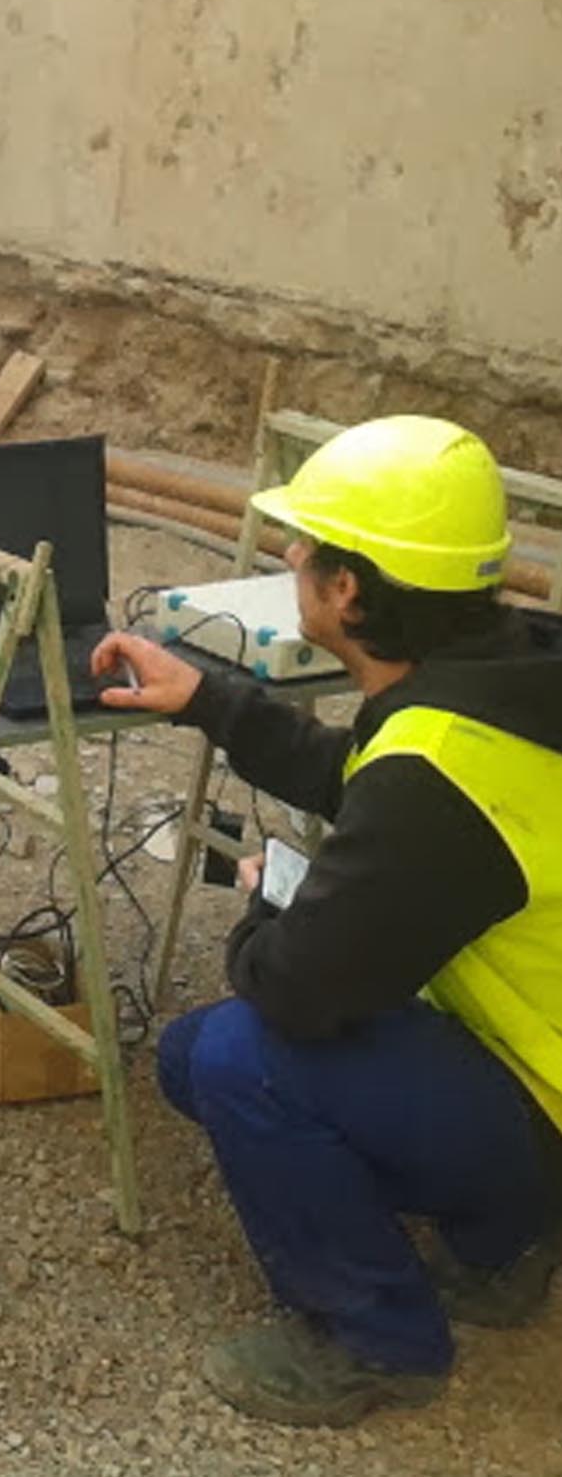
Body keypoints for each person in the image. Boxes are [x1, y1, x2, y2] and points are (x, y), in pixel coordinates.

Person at [91, 413, 562, 1429]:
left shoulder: (439, 769)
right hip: (534, 1065)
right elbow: (368, 783)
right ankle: (503, 1239)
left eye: (302, 549)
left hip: (543, 1108)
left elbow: (295, 991)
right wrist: (208, 701)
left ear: (345, 589)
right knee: (190, 1059)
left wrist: (274, 895)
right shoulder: (504, 682)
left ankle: (377, 1340)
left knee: (232, 1057)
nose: (290, 558)